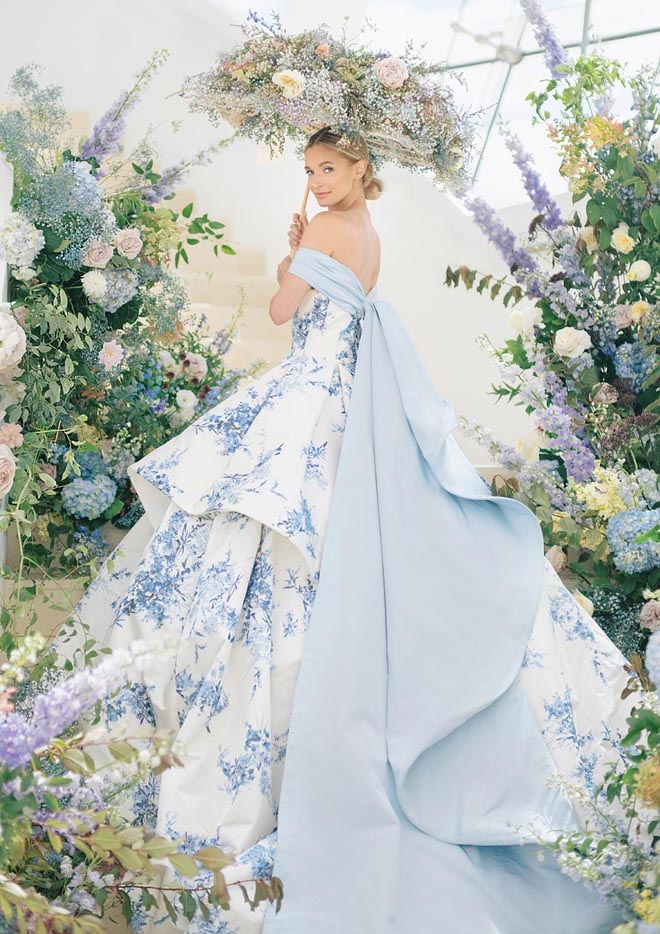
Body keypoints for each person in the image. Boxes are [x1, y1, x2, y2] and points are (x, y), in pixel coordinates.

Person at [67, 126, 633, 933]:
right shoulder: (369, 232)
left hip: (309, 397)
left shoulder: (331, 227)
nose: (318, 182)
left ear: (360, 168)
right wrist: (311, 250)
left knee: (260, 528)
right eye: (309, 171)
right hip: (345, 406)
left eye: (328, 169)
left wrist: (292, 258)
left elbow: (281, 310)